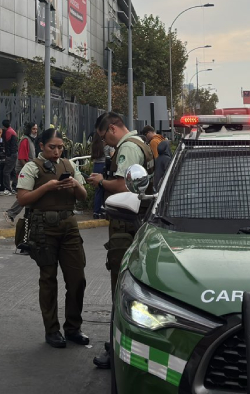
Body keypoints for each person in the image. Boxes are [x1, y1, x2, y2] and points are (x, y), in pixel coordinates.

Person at [89, 111, 155, 370]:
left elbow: (123, 185)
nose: (105, 142)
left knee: (120, 289)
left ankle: (118, 348)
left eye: (104, 136)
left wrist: (101, 181)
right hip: (136, 223)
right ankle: (118, 341)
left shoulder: (127, 148)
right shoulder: (140, 143)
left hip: (126, 225)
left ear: (113, 128)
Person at [16, 128, 88, 348]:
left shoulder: (69, 165)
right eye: (52, 147)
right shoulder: (32, 167)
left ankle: (73, 327)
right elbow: (23, 198)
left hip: (69, 226)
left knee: (77, 279)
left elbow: (83, 196)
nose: (57, 151)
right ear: (41, 146)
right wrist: (47, 187)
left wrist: (75, 185)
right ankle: (52, 330)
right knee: (48, 280)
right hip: (44, 228)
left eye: (60, 147)